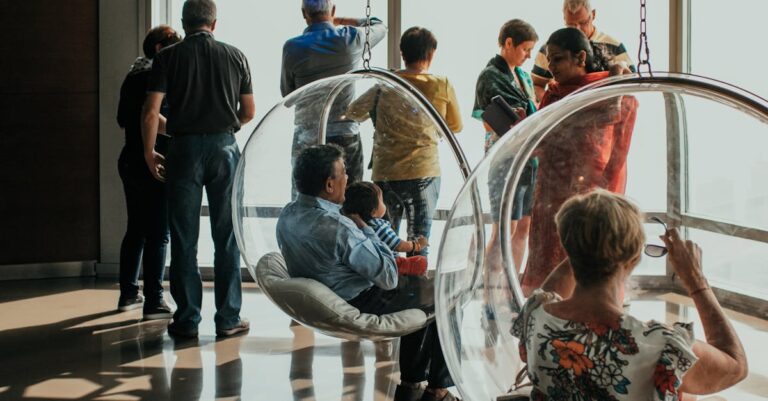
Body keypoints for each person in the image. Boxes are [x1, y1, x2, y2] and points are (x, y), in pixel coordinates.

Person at [512, 190, 748, 400]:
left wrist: (587, 240)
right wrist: (696, 279)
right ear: (634, 259)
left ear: (568, 249)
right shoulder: (656, 347)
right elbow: (736, 366)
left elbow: (551, 289)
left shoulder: (535, 318)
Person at [276, 144, 461, 401]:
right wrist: (366, 228)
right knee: (447, 294)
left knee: (421, 295)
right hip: (361, 298)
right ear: (329, 185)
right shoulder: (340, 227)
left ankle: (410, 386)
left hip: (329, 293)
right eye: (343, 173)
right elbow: (388, 277)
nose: (348, 179)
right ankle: (437, 390)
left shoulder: (287, 214)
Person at [141, 0, 256, 338]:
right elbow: (248, 110)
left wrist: (149, 152)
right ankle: (228, 318)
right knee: (226, 237)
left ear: (184, 22)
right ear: (214, 24)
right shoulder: (235, 55)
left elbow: (150, 112)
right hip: (224, 148)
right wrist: (223, 126)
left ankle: (188, 319)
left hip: (183, 149)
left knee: (183, 237)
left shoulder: (167, 57)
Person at [522, 27, 638, 294]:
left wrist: (617, 78)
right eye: (549, 60)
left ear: (581, 58)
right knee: (547, 256)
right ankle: (547, 313)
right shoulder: (555, 93)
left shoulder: (602, 90)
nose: (551, 67)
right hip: (550, 191)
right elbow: (545, 136)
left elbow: (614, 117)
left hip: (586, 192)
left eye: (558, 59)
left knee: (581, 253)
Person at [347, 27, 462, 257]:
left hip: (386, 172)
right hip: (424, 171)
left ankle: (389, 287)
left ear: (402, 53)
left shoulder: (385, 84)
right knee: (419, 239)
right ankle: (416, 289)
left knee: (385, 238)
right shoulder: (441, 84)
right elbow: (456, 126)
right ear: (431, 54)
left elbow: (353, 112)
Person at [281, 0, 387, 185]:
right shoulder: (349, 39)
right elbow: (379, 26)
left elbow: (288, 97)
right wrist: (342, 20)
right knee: (351, 199)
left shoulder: (292, 48)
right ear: (333, 10)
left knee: (306, 197)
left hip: (308, 135)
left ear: (304, 13)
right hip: (344, 133)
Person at [115, 25, 181, 318]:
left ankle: (128, 293)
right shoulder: (157, 76)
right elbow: (151, 115)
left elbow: (121, 119)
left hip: (129, 159)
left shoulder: (132, 75)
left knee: (136, 229)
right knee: (159, 232)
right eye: (174, 45)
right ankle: (155, 299)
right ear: (160, 48)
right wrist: (182, 126)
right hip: (155, 160)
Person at [473, 19, 539, 275]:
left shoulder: (523, 76)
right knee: (503, 230)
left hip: (529, 158)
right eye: (525, 49)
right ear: (508, 43)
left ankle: (510, 284)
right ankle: (491, 288)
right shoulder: (490, 75)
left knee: (524, 226)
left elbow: (532, 112)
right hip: (505, 157)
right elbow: (489, 120)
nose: (529, 56)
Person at [531, 0, 636, 101]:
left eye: (583, 22)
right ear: (564, 18)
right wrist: (553, 105)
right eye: (571, 25)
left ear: (593, 14)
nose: (578, 29)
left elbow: (632, 83)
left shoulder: (615, 46)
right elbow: (536, 84)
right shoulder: (549, 49)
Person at [342, 181, 429, 276]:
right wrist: (416, 245)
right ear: (373, 211)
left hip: (367, 264)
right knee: (422, 262)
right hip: (390, 263)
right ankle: (404, 269)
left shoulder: (351, 223)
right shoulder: (378, 226)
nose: (385, 204)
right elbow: (399, 245)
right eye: (382, 201)